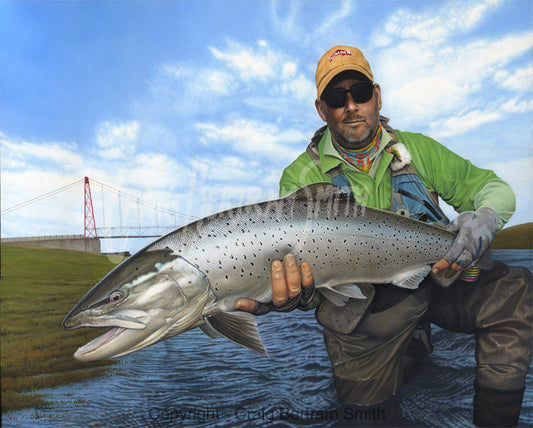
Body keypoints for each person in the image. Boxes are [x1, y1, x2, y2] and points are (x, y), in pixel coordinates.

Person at [235, 45, 532, 427]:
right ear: (321, 109)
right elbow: (305, 286)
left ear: (376, 97)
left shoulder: (418, 149)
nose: (350, 106)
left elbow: (492, 185)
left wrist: (486, 217)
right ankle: (410, 344)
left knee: (515, 290)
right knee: (365, 418)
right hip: (363, 313)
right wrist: (290, 295)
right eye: (335, 98)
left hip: (441, 275)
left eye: (359, 93)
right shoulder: (300, 178)